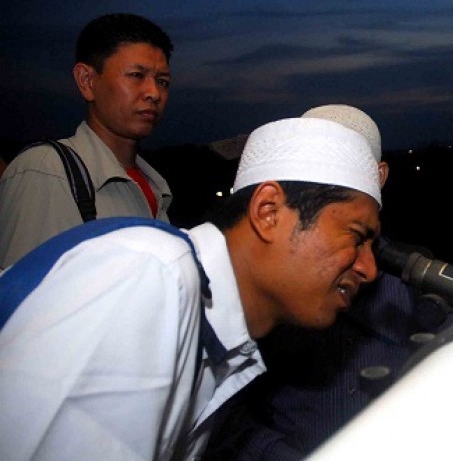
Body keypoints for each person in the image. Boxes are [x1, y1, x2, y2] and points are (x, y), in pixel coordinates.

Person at [0, 116, 383, 460]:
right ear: (268, 212)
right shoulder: (149, 275)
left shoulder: (217, 341)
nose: (369, 268)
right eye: (356, 236)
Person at [203, 105, 452, 460]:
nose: (363, 268)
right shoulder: (175, 285)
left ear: (378, 175)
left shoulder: (413, 279)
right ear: (269, 209)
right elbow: (229, 415)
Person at [0, 13, 174, 269]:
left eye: (162, 81)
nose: (153, 93)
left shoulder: (155, 185)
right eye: (137, 75)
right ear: (87, 81)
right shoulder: (47, 170)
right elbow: (23, 301)